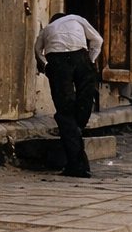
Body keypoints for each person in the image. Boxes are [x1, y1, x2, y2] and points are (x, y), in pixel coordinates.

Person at [34, 12, 103, 177]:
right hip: (81, 56)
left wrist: (46, 67)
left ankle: (76, 164)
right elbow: (98, 41)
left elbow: (38, 51)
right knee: (83, 103)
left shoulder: (47, 29)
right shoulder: (77, 19)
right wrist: (91, 60)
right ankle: (80, 124)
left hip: (57, 61)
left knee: (65, 113)